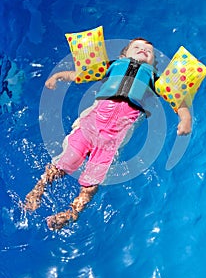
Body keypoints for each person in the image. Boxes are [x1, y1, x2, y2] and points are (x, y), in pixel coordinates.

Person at [24, 38, 192, 230]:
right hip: (90, 125)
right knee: (64, 162)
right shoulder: (114, 66)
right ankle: (38, 189)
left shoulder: (154, 78)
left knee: (92, 182)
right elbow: (81, 75)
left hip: (113, 138)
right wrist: (59, 76)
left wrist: (185, 119)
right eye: (137, 47)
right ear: (123, 55)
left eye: (149, 51)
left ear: (153, 63)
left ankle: (71, 213)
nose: (143, 50)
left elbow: (177, 99)